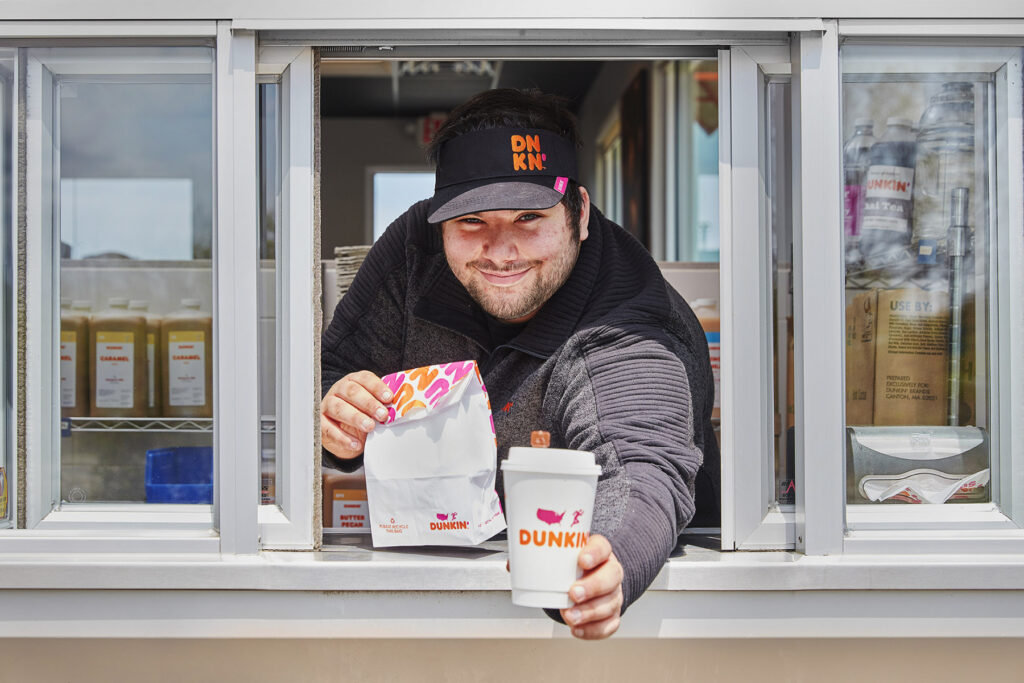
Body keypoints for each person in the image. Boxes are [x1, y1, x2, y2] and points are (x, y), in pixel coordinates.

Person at [320, 88, 719, 640]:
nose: (501, 250)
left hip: (650, 633)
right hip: (420, 597)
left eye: (530, 217)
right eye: (471, 221)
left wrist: (604, 564)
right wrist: (334, 415)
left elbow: (641, 467)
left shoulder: (629, 324)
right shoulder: (416, 248)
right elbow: (332, 369)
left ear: (578, 213)